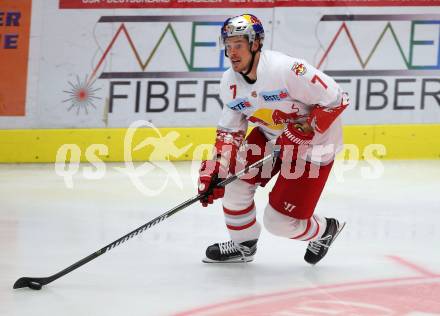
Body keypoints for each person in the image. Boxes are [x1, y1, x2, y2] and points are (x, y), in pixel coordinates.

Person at [197, 14, 349, 264]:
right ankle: (243, 245)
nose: (232, 52)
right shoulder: (229, 83)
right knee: (234, 184)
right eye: (228, 45)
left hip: (314, 147)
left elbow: (337, 98)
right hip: (271, 137)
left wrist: (303, 130)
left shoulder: (286, 70)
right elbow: (230, 132)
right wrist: (216, 168)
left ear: (255, 44)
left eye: (239, 45)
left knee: (279, 223)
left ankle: (325, 230)